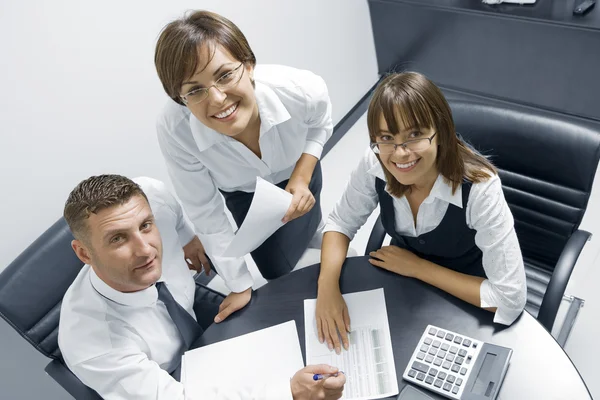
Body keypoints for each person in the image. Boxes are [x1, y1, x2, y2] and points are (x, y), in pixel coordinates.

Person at [58, 174, 345, 399]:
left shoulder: (152, 196)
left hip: (202, 332)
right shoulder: (93, 343)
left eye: (146, 226)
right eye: (118, 239)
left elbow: (170, 210)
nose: (146, 250)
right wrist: (287, 393)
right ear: (84, 253)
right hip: (169, 377)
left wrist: (187, 237)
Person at [315, 72, 528, 354]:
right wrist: (327, 287)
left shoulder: (480, 187)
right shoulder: (376, 161)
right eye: (387, 138)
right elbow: (340, 223)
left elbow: (509, 299)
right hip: (403, 284)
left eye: (414, 135)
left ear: (441, 131)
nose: (400, 154)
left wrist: (418, 268)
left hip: (465, 295)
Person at [154, 10, 332, 316]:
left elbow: (321, 123)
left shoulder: (300, 89)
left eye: (224, 75)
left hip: (301, 169)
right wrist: (239, 285)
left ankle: (315, 232)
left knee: (311, 219)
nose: (218, 99)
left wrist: (302, 175)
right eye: (195, 90)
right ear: (178, 98)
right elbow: (206, 212)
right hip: (244, 193)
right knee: (275, 266)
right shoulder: (176, 130)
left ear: (249, 65)